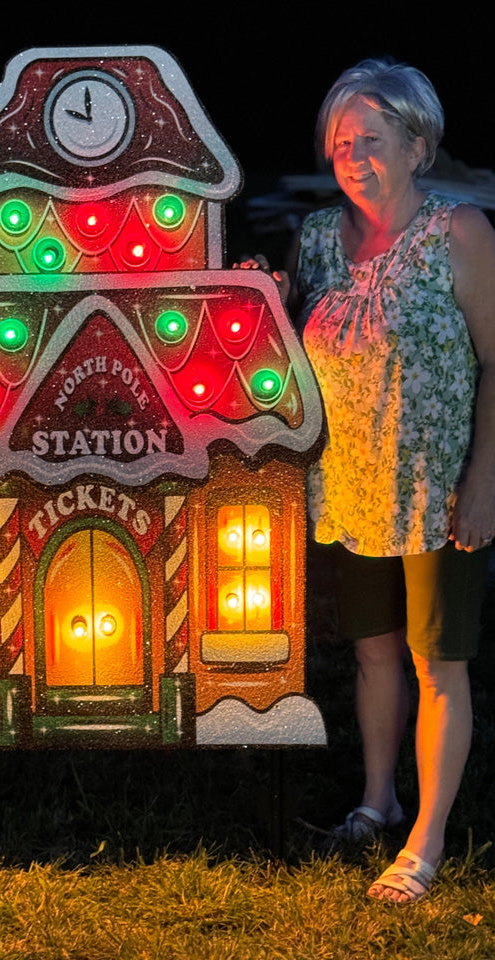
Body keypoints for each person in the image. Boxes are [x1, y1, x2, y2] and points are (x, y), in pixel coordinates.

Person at [237, 57, 495, 903]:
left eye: (371, 139)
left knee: (436, 662)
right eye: (340, 141)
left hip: (435, 490)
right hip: (347, 490)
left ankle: (426, 840)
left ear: (418, 146)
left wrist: (484, 481)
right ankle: (376, 802)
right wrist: (263, 298)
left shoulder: (458, 234)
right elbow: (287, 337)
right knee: (374, 654)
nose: (352, 155)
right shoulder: (317, 238)